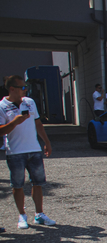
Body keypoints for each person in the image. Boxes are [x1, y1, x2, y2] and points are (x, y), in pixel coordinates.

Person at [0, 75, 56, 229]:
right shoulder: (2, 106)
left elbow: (38, 123)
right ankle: (22, 216)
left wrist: (47, 142)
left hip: (34, 150)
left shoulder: (29, 102)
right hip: (15, 152)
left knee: (38, 183)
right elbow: (0, 130)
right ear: (12, 89)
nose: (25, 90)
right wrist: (15, 122)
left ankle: (39, 214)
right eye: (22, 87)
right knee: (17, 185)